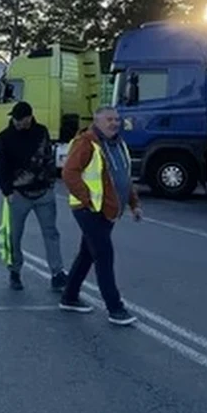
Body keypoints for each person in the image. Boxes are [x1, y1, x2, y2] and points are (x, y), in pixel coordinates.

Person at [58, 106, 142, 326]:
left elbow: (123, 176)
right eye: (109, 120)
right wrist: (87, 200)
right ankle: (115, 309)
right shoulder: (86, 143)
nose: (114, 123)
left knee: (87, 253)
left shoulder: (118, 144)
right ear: (97, 122)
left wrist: (134, 204)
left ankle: (69, 297)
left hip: (107, 210)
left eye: (116, 119)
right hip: (89, 210)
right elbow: (69, 172)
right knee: (104, 255)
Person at [0, 101, 67, 291]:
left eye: (20, 119)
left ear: (29, 118)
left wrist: (50, 183)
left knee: (51, 233)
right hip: (18, 194)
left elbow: (48, 158)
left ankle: (57, 273)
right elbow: (1, 165)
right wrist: (7, 191)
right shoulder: (5, 137)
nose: (17, 122)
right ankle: (15, 271)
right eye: (15, 119)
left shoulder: (41, 132)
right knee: (14, 236)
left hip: (43, 192)